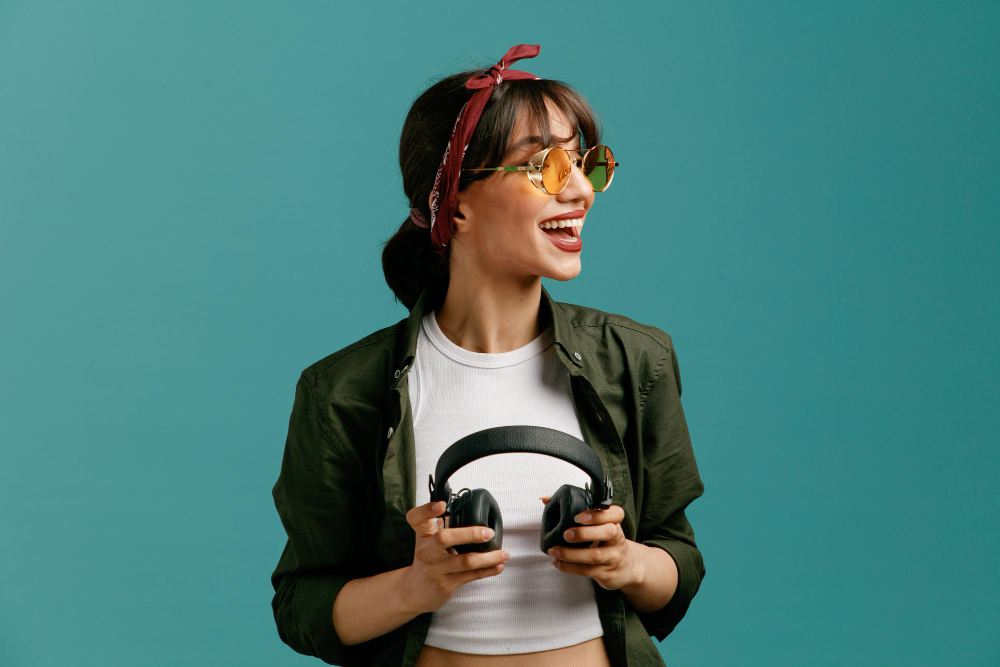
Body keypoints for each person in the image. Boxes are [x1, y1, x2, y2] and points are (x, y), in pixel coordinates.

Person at [270, 44, 706, 667]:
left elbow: (678, 568)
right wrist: (414, 587)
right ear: (454, 203)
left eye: (585, 163)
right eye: (544, 167)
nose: (581, 190)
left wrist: (625, 560)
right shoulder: (342, 392)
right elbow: (303, 608)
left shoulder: (635, 361)